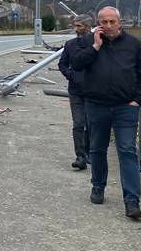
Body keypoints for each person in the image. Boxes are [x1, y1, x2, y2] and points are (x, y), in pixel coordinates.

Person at [72, 6, 141, 220]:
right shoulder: (89, 42)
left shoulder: (133, 45)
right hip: (96, 106)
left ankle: (132, 201)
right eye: (103, 22)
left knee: (127, 150)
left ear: (120, 22)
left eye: (111, 22)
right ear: (98, 23)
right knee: (97, 149)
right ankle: (98, 186)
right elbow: (76, 65)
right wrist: (96, 46)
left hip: (126, 107)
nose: (108, 26)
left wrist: (138, 100)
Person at [58, 14, 92, 170]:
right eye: (75, 26)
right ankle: (80, 156)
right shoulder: (70, 44)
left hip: (94, 91)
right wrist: (71, 75)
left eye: (80, 26)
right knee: (78, 123)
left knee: (92, 123)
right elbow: (62, 64)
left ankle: (90, 153)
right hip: (76, 91)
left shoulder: (97, 43)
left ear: (88, 26)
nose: (77, 29)